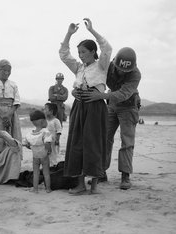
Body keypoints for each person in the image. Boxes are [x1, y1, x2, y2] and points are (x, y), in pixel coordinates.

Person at [59, 18, 112, 194]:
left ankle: (94, 186)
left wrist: (92, 31)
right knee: (77, 143)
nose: (80, 55)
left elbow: (107, 48)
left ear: (92, 52)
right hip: (79, 107)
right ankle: (81, 184)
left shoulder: (102, 66)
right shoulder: (79, 69)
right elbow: (64, 54)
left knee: (94, 143)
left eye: (83, 52)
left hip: (95, 108)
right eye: (79, 52)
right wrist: (69, 33)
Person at [81, 47, 141, 190]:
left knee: (127, 141)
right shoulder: (108, 65)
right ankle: (101, 172)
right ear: (115, 62)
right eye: (119, 69)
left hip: (129, 105)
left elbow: (124, 94)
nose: (121, 72)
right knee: (104, 138)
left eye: (125, 71)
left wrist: (102, 96)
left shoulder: (136, 74)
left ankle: (125, 175)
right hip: (111, 104)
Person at [0, 59, 22, 142]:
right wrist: (2, 115)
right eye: (4, 70)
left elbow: (16, 102)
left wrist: (8, 115)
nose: (6, 73)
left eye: (8, 71)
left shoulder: (13, 85)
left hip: (11, 113)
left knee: (12, 137)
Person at [22, 110, 52, 193]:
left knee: (36, 173)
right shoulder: (45, 132)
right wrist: (49, 151)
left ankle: (35, 189)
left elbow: (26, 144)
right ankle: (48, 189)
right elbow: (47, 143)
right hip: (44, 155)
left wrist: (32, 148)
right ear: (42, 121)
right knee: (46, 173)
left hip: (35, 156)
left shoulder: (29, 134)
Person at [44, 102, 62, 167]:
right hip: (45, 142)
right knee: (45, 154)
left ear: (51, 111)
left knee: (53, 154)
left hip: (53, 142)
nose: (44, 111)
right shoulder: (44, 121)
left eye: (45, 109)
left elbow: (59, 131)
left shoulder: (56, 121)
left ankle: (53, 166)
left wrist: (57, 140)